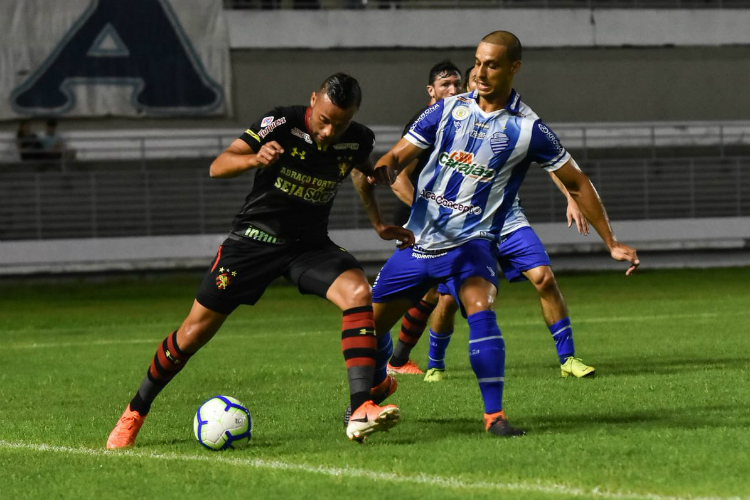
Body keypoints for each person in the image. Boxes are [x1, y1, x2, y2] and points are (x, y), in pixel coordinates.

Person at [106, 73, 414, 449]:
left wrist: (379, 221)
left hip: (309, 245)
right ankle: (135, 411)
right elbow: (217, 165)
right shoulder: (280, 123)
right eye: (324, 120)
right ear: (313, 99)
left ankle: (361, 407)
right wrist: (255, 157)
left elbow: (360, 171)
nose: (330, 131)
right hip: (254, 241)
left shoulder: (357, 137)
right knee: (192, 333)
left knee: (357, 291)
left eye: (341, 123)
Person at [355, 31, 640, 437]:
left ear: (514, 68)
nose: (480, 72)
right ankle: (378, 384)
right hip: (421, 242)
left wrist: (610, 242)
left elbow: (577, 183)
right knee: (366, 328)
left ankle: (495, 417)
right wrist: (383, 169)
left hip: (473, 244)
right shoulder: (446, 109)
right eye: (477, 62)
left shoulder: (529, 129)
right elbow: (398, 155)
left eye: (492, 64)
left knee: (481, 309)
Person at [388, 58, 597, 384]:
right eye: (466, 80)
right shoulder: (446, 115)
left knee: (544, 277)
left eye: (466, 82)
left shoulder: (519, 118)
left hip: (506, 216)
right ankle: (433, 364)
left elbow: (554, 158)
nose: (466, 87)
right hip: (457, 224)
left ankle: (568, 358)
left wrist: (572, 197)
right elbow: (398, 167)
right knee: (444, 297)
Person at [384, 60, 463, 376]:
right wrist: (427, 212)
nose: (453, 90)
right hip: (415, 222)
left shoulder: (459, 121)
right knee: (405, 294)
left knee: (432, 292)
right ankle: (385, 359)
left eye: (457, 84)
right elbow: (397, 176)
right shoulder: (426, 123)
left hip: (442, 222)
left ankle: (398, 361)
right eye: (445, 85)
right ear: (431, 91)